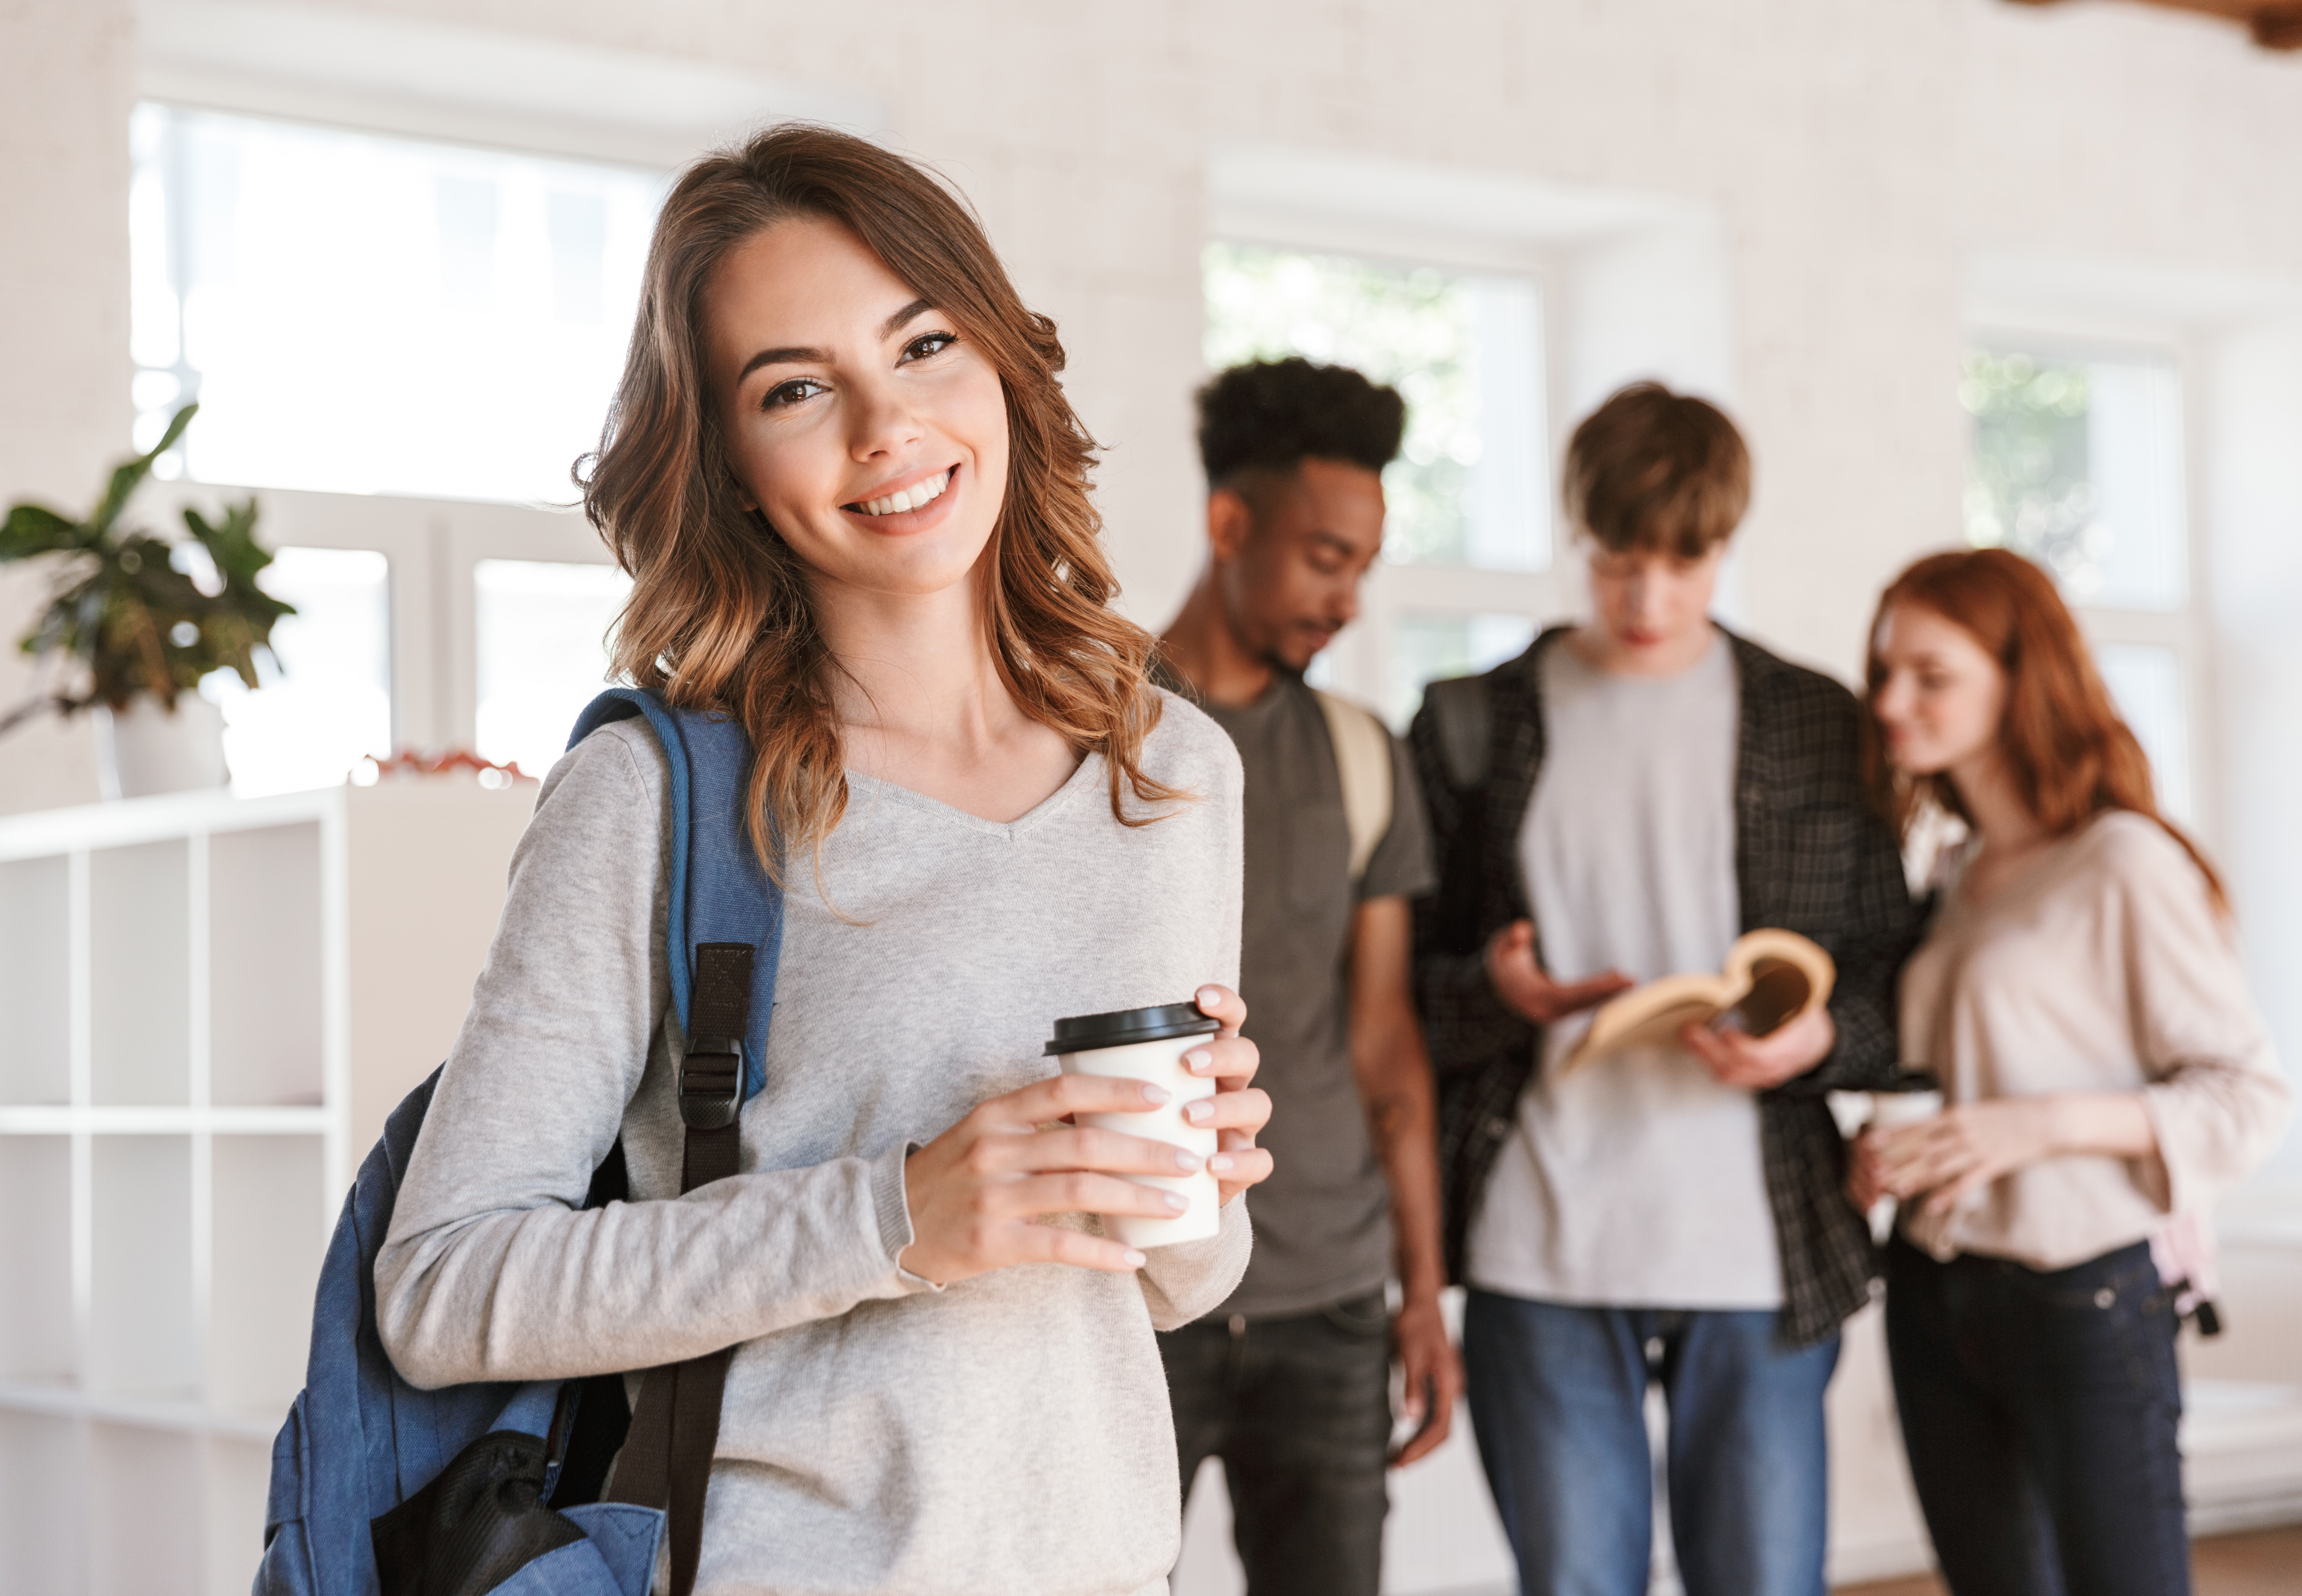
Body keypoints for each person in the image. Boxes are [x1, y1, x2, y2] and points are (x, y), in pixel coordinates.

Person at [372, 124, 1274, 1596]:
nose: (885, 426)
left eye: (922, 345)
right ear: (723, 460)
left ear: (999, 361)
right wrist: (897, 1216)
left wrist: (1201, 1182)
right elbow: (444, 1287)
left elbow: (1176, 1286)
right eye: (797, 387)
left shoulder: (1171, 771)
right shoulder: (658, 800)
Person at [1408, 382, 1916, 1596]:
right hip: (1542, 1241)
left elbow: (1903, 983)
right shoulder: (1474, 721)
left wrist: (1812, 1044)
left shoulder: (1815, 723)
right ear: (1576, 534)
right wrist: (1497, 991)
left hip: (1763, 1251)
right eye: (1616, 560)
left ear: (1725, 542)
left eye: (1685, 564)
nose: (1648, 599)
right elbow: (1395, 1000)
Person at [1849, 547, 2291, 1596]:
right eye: (1882, 673)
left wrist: (2035, 1126)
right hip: (1932, 1295)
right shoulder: (1956, 874)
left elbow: (2247, 1094)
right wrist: (1885, 1155)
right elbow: (1953, 1071)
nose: (1890, 702)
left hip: (2082, 1301)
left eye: (1930, 674)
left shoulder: (2123, 861)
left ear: (2019, 678)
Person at [1150, 356, 1461, 1595]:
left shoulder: (1360, 755)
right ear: (1231, 523)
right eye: (1326, 557)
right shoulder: (1081, 726)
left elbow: (1383, 1046)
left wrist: (1422, 1293)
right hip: (1137, 1299)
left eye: (1365, 568)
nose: (1348, 600)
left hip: (1331, 1301)